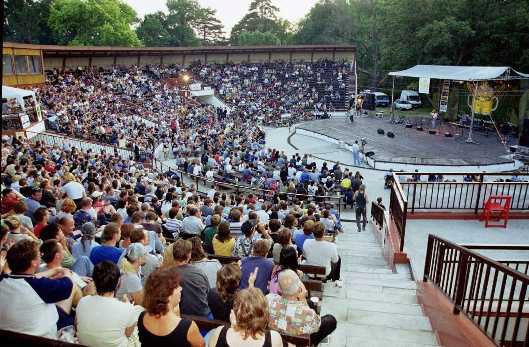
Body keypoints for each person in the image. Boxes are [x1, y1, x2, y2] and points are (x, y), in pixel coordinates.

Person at [0, 239, 75, 337]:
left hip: (10, 332)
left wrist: (56, 270)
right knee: (74, 289)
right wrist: (67, 273)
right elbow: (68, 284)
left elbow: (28, 279)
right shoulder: (40, 286)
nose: (41, 257)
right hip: (43, 336)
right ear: (34, 263)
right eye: (39, 255)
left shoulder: (3, 280)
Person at [76, 261, 144, 347]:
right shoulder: (127, 308)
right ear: (118, 283)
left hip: (86, 344)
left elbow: (76, 325)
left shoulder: (82, 302)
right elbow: (128, 334)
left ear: (94, 280)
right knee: (139, 310)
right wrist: (127, 305)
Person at [138, 266, 205, 347]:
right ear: (167, 295)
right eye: (177, 286)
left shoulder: (142, 317)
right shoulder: (187, 327)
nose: (181, 288)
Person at [267, 269, 336, 346]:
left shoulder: (268, 299)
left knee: (310, 303)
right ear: (299, 288)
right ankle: (313, 343)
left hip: (279, 338)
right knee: (331, 320)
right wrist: (303, 299)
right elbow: (316, 327)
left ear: (279, 288)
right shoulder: (309, 315)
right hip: (300, 340)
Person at [207, 287, 283, 347]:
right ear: (264, 314)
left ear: (234, 313)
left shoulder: (218, 332)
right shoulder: (274, 339)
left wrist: (233, 326)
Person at [171, 239, 211, 317]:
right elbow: (208, 293)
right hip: (203, 314)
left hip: (182, 316)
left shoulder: (168, 274)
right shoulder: (199, 272)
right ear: (189, 255)